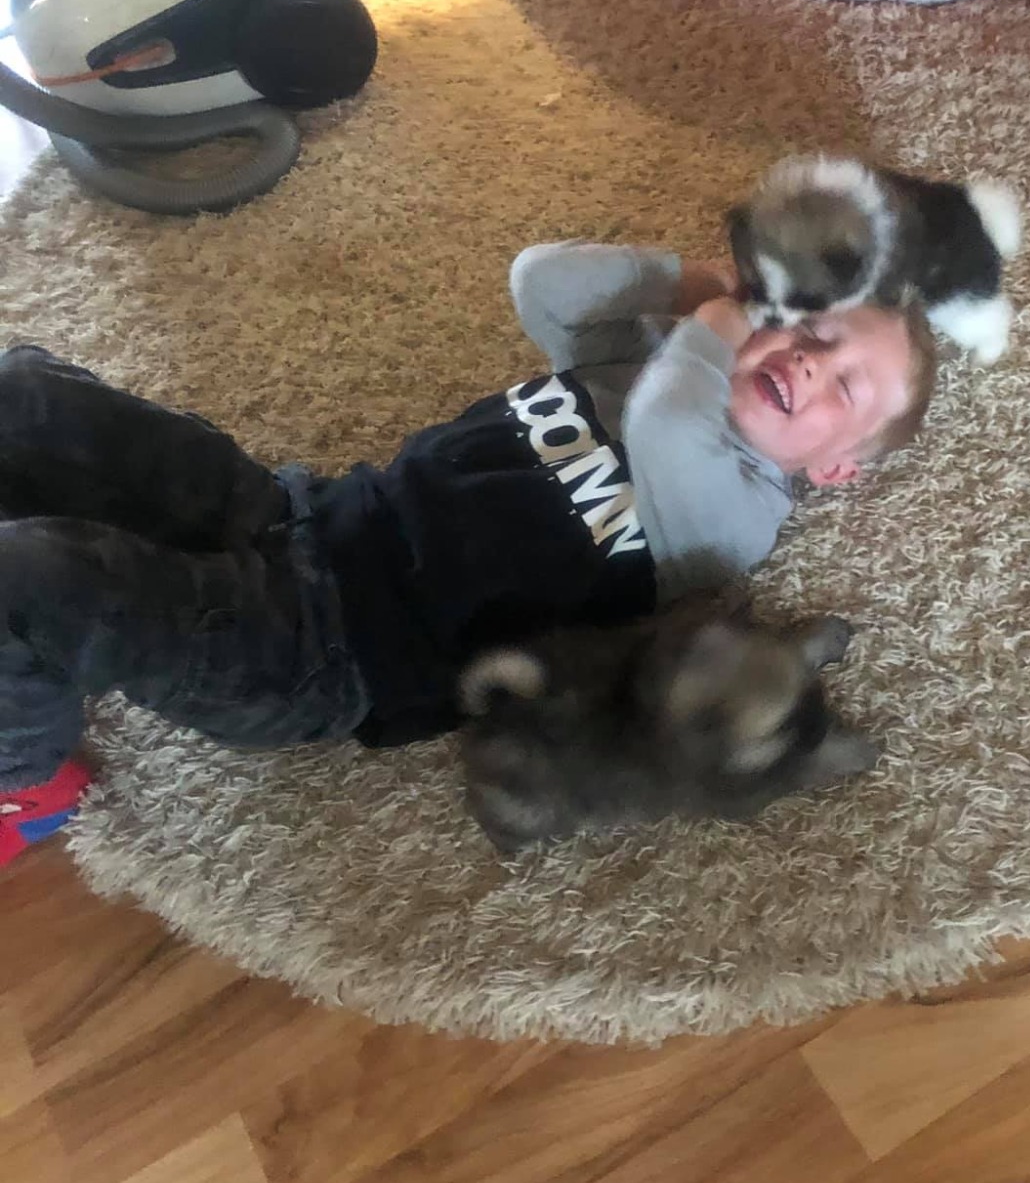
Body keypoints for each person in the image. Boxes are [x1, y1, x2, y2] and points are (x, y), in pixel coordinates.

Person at [0, 239, 936, 867]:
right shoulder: (652, 362)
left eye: (845, 387)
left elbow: (669, 422)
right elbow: (542, 282)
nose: (810, 362)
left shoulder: (737, 513)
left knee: (33, 579)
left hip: (323, 653)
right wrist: (690, 285)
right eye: (810, 332)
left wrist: (721, 322)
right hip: (297, 512)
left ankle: (22, 778)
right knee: (26, 395)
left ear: (834, 468)